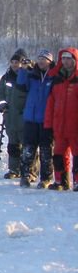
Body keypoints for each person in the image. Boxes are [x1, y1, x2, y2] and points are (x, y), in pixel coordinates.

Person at [17, 50, 55, 187]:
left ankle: (45, 178)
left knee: (46, 151)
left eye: (44, 59)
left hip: (46, 119)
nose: (41, 61)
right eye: (39, 59)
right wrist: (23, 70)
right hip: (30, 118)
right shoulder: (32, 74)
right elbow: (21, 85)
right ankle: (25, 175)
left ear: (49, 61)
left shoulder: (53, 76)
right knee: (28, 149)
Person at [44, 48, 78, 190]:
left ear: (75, 60)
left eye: (69, 59)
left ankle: (77, 181)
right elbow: (50, 104)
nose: (65, 61)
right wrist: (48, 125)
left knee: (77, 155)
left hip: (75, 126)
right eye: (63, 59)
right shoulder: (57, 79)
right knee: (58, 154)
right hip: (59, 126)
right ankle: (61, 182)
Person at [0, 49, 30, 179]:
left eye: (18, 62)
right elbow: (0, 94)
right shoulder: (6, 77)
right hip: (10, 116)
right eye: (13, 62)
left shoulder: (29, 75)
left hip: (23, 116)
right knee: (13, 145)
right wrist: (2, 106)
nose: (15, 64)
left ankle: (30, 170)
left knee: (27, 146)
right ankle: (13, 169)